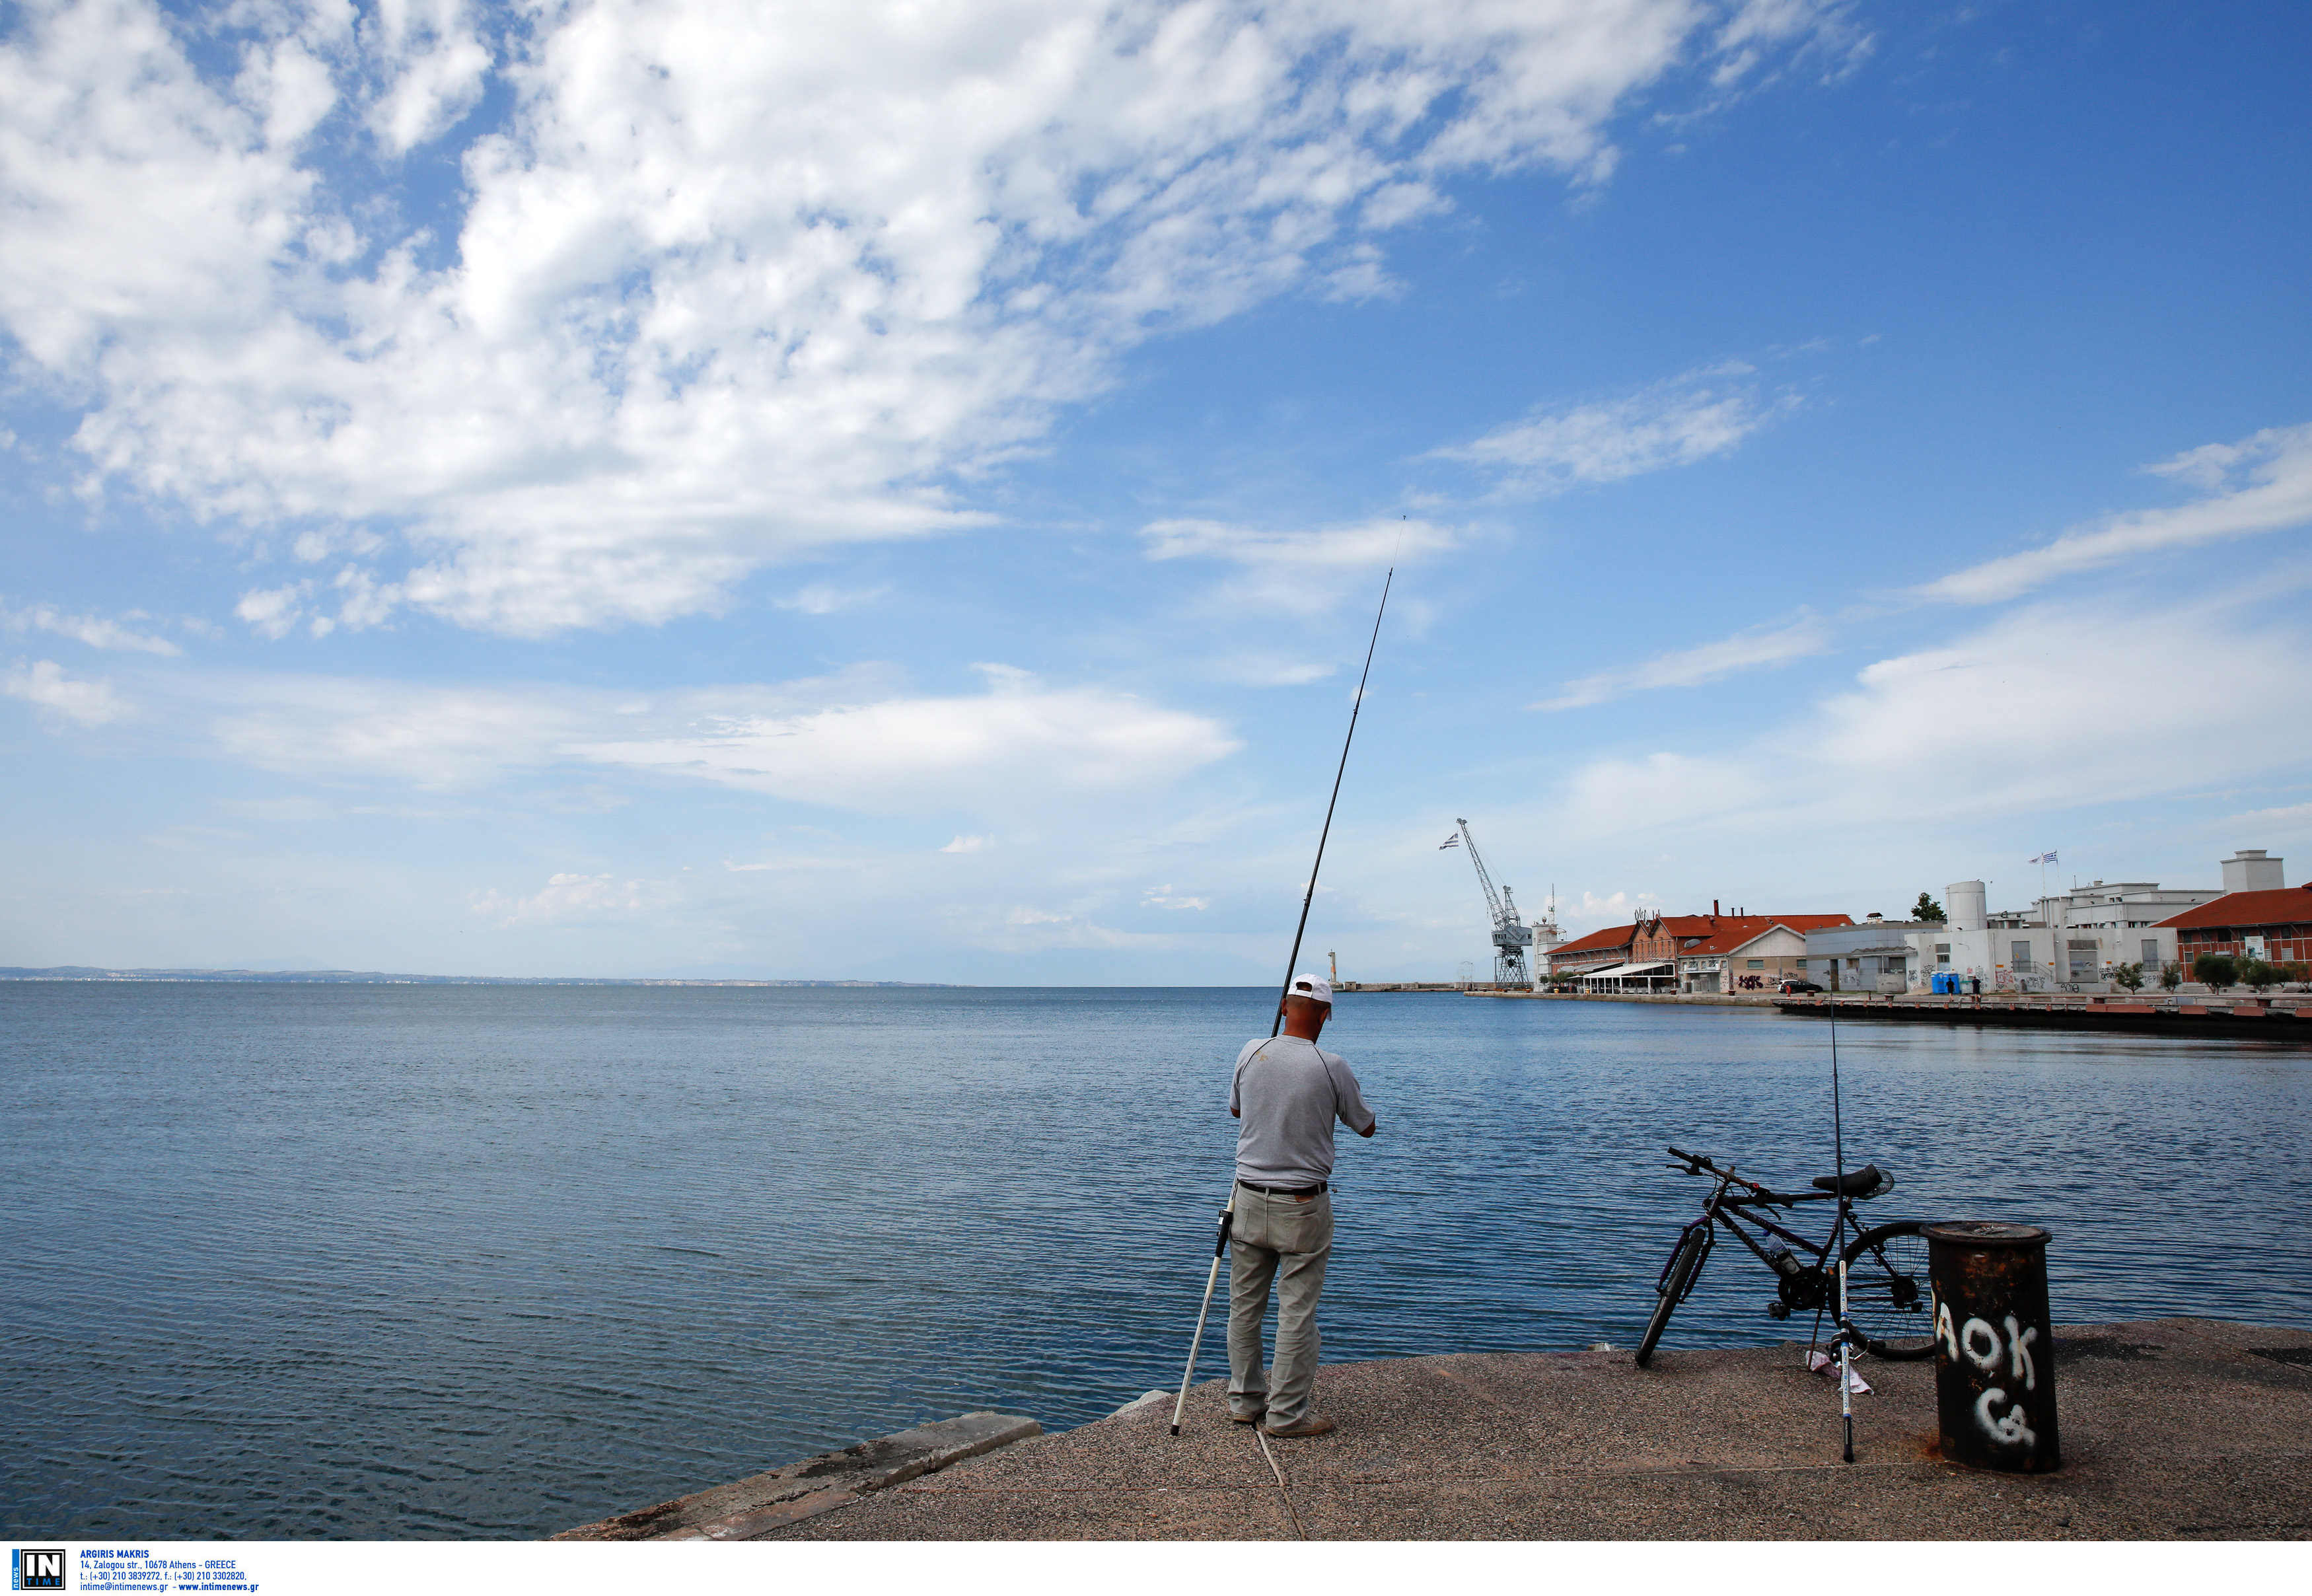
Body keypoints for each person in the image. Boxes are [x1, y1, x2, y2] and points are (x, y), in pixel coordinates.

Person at [1225, 972, 1377, 1438]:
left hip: (1247, 1198)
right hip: (1302, 1205)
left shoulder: (1251, 1052)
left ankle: (1245, 1401)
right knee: (1296, 1311)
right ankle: (1287, 1415)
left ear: (1285, 1007)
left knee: (1244, 1306)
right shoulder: (1331, 1066)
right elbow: (1366, 1126)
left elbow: (1235, 1110)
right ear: (1327, 1016)